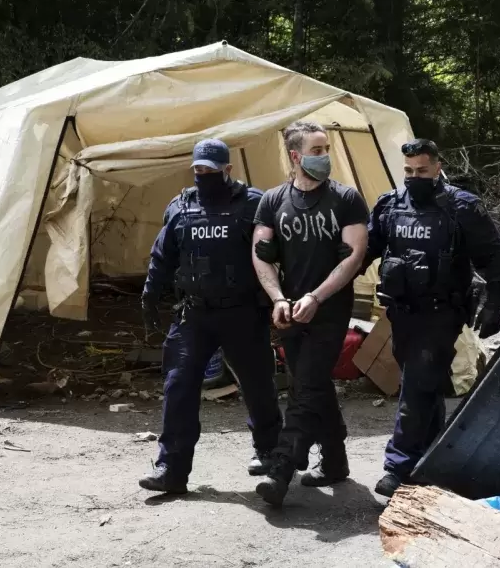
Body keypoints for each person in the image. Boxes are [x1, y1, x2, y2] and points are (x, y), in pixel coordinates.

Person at [364, 138, 500, 498]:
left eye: (422, 170)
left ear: (437, 166)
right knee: (423, 384)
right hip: (401, 312)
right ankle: (433, 458)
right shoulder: (390, 205)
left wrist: (494, 303)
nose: (414, 177)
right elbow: (364, 248)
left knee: (416, 385)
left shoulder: (461, 207)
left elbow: (492, 255)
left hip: (441, 312)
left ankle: (398, 467)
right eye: (409, 171)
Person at [138, 139, 283, 494]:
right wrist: (149, 295)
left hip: (243, 313)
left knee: (258, 384)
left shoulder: (254, 204)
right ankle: (171, 468)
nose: (203, 175)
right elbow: (163, 256)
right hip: (194, 313)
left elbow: (278, 253)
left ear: (228, 169)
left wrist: (283, 301)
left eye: (211, 170)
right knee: (178, 385)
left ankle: (269, 452)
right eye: (198, 170)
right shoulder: (181, 206)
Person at [250, 120, 369, 507]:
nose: (325, 156)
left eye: (327, 148)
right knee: (311, 383)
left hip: (330, 310)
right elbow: (261, 255)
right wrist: (279, 298)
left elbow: (353, 257)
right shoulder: (272, 201)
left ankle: (283, 467)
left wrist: (316, 297)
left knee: (305, 387)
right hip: (289, 313)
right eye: (317, 150)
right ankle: (335, 462)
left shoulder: (346, 198)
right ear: (296, 155)